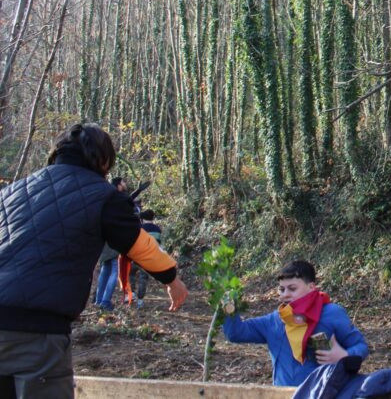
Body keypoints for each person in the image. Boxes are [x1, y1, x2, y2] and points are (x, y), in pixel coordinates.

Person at [0, 123, 189, 398]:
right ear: (103, 160)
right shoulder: (102, 196)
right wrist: (172, 279)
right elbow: (140, 244)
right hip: (37, 332)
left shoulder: (13, 191)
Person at [222, 260, 370, 387]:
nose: (285, 294)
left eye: (292, 289)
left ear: (311, 287)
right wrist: (228, 305)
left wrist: (344, 355)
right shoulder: (274, 321)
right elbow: (235, 333)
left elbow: (361, 346)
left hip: (323, 393)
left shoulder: (332, 313)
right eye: (281, 289)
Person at [130, 209, 164, 308]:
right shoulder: (157, 229)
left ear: (142, 218)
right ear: (153, 218)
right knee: (143, 278)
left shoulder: (139, 228)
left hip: (136, 255)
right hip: (149, 257)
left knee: (131, 273)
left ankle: (132, 292)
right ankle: (140, 300)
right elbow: (158, 244)